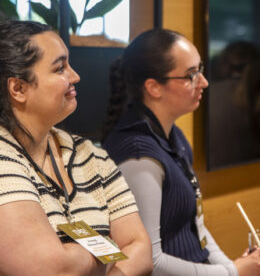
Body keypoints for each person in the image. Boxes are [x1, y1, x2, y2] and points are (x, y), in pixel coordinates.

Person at [102, 28, 260, 276]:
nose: (204, 82)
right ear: (154, 87)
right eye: (191, 75)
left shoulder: (173, 135)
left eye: (201, 70)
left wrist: (230, 267)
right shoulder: (138, 154)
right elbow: (150, 262)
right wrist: (233, 272)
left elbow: (197, 227)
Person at [0, 20, 153, 276]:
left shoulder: (89, 154)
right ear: (18, 88)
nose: (75, 76)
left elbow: (141, 250)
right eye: (60, 68)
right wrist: (104, 252)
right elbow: (49, 268)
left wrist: (77, 260)